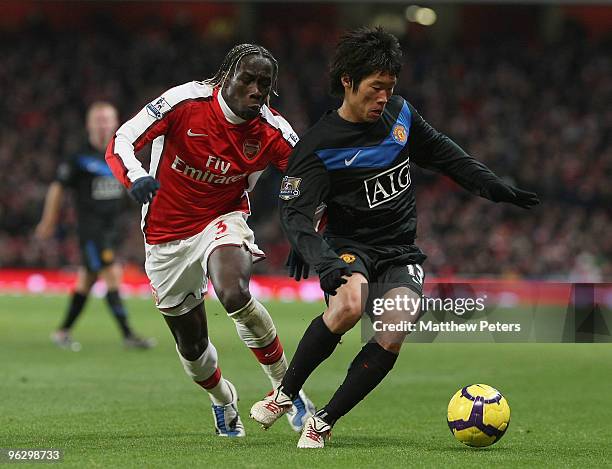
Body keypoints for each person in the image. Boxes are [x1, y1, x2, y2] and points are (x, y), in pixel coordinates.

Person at [249, 27, 539, 448]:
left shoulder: (400, 115)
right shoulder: (319, 145)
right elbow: (293, 211)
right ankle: (284, 392)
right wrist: (320, 257)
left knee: (398, 320)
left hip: (400, 249)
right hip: (349, 247)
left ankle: (324, 421)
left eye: (389, 88)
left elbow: (443, 153)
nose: (383, 97)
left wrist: (493, 187)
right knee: (350, 304)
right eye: (375, 88)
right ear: (348, 82)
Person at [105, 44, 315, 438]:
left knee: (233, 293)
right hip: (165, 237)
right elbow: (121, 140)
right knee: (192, 348)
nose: (256, 91)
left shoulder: (273, 131)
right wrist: (135, 177)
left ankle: (287, 390)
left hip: (223, 218)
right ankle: (222, 398)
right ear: (226, 78)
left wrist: (306, 234)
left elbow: (309, 180)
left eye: (264, 85)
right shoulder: (185, 102)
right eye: (248, 80)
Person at [36, 102, 156, 352]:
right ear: (89, 124)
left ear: (115, 123)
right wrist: (49, 221)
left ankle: (62, 332)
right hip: (91, 231)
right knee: (112, 274)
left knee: (86, 282)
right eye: (98, 120)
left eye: (107, 120)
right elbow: (58, 187)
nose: (103, 125)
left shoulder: (120, 155)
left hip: (112, 229)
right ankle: (128, 334)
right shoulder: (78, 157)